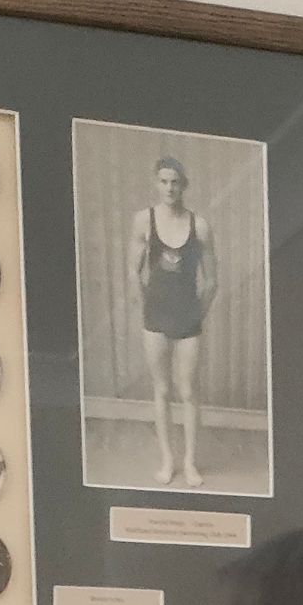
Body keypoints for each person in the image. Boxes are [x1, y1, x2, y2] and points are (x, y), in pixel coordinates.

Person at [126, 155, 216, 487]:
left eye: (175, 182)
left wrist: (196, 314)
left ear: (184, 185)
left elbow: (213, 281)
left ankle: (190, 462)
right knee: (161, 389)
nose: (169, 188)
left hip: (187, 318)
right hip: (156, 316)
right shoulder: (143, 221)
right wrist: (145, 306)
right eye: (163, 181)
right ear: (156, 183)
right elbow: (132, 270)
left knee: (188, 390)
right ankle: (168, 459)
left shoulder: (200, 226)